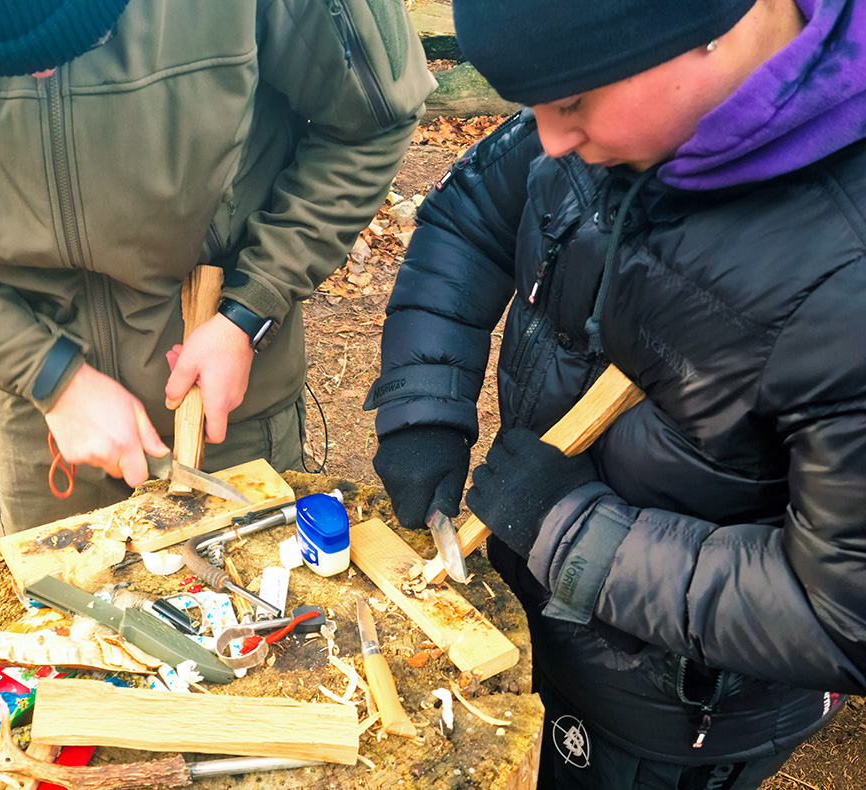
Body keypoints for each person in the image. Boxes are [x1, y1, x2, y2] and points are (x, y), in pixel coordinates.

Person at [367, 0, 866, 787]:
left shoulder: (847, 270)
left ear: (704, 29)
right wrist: (423, 402)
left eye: (570, 102)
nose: (549, 139)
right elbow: (469, 221)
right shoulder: (597, 97)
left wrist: (571, 534)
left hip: (673, 709)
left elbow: (843, 613)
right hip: (539, 608)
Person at [0, 0, 436, 534]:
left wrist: (251, 308)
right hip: (32, 420)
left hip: (228, 388)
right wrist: (44, 374)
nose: (40, 75)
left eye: (84, 40)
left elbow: (373, 118)